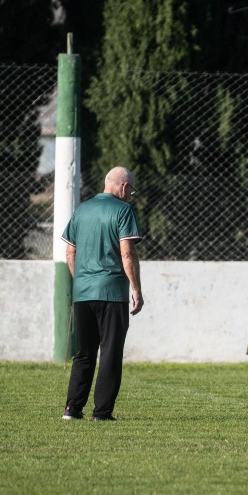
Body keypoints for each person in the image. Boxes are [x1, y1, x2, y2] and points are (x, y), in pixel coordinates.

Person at [61, 166, 144, 422]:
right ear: (124, 186)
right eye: (131, 190)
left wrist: (82, 281)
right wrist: (136, 289)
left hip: (83, 293)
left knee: (84, 353)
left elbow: (70, 253)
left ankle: (72, 409)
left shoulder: (81, 210)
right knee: (110, 353)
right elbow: (127, 252)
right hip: (112, 293)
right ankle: (102, 412)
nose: (130, 195)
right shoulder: (123, 210)